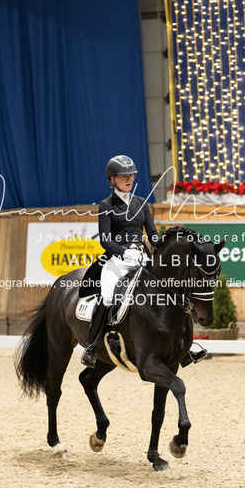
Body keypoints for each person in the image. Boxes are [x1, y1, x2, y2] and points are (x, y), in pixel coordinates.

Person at [81, 155, 159, 367]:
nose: (129, 179)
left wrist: (160, 246)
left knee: (166, 293)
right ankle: (92, 346)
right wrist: (124, 252)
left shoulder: (141, 203)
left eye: (131, 176)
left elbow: (152, 233)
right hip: (117, 261)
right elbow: (105, 240)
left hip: (142, 260)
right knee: (108, 298)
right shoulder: (106, 205)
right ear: (112, 179)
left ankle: (184, 344)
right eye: (124, 176)